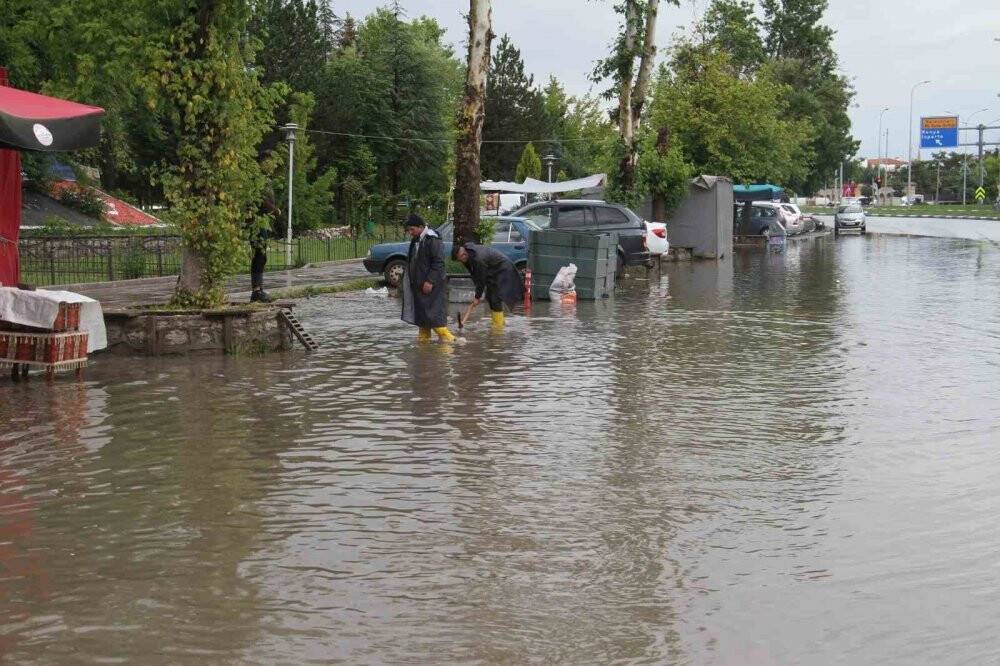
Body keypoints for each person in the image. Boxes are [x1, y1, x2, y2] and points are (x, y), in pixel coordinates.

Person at [401, 214, 455, 342]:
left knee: (434, 319)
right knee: (423, 321)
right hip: (419, 285)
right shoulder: (418, 239)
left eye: (412, 229)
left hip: (431, 286)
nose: (410, 233)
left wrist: (430, 281)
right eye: (408, 230)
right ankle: (424, 354)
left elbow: (438, 262)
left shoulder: (432, 239)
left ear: (420, 227)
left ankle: (452, 344)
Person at [452, 241, 524, 329]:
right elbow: (474, 274)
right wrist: (477, 294)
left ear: (463, 254)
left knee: (495, 298)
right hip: (493, 270)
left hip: (503, 270)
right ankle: (498, 322)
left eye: (460, 259)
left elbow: (481, 278)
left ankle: (499, 327)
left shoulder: (478, 259)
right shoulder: (468, 253)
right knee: (489, 296)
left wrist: (477, 297)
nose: (460, 262)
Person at [249, 184, 280, 303]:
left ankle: (259, 290)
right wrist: (275, 210)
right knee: (259, 256)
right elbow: (262, 202)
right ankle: (256, 291)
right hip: (256, 223)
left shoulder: (265, 181)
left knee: (261, 257)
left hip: (261, 222)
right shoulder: (259, 182)